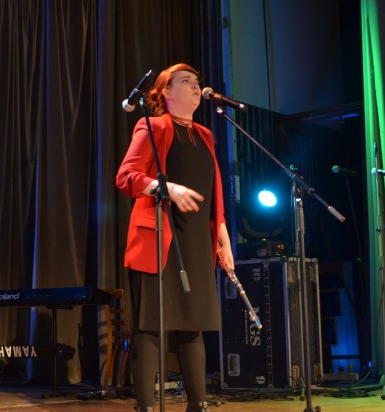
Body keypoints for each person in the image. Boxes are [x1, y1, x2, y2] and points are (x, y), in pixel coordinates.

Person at [116, 63, 234, 412]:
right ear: (166, 92)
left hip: (196, 241)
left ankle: (198, 404)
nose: (195, 86)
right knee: (150, 324)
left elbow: (212, 194)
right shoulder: (152, 126)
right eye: (185, 81)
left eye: (197, 81)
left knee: (192, 323)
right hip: (159, 239)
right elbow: (126, 176)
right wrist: (166, 188)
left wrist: (223, 237)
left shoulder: (205, 135)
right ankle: (146, 406)